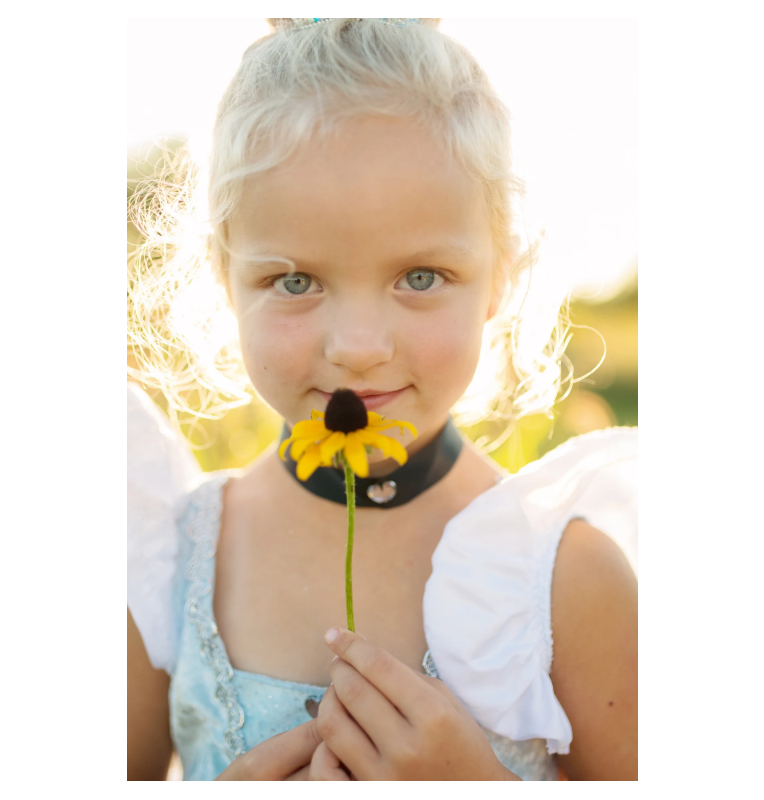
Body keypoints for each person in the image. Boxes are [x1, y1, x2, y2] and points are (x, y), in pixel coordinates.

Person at [127, 17, 637, 780]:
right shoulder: (168, 561)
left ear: (501, 271)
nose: (358, 344)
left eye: (420, 276)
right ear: (223, 276)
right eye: (295, 281)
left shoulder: (567, 580)